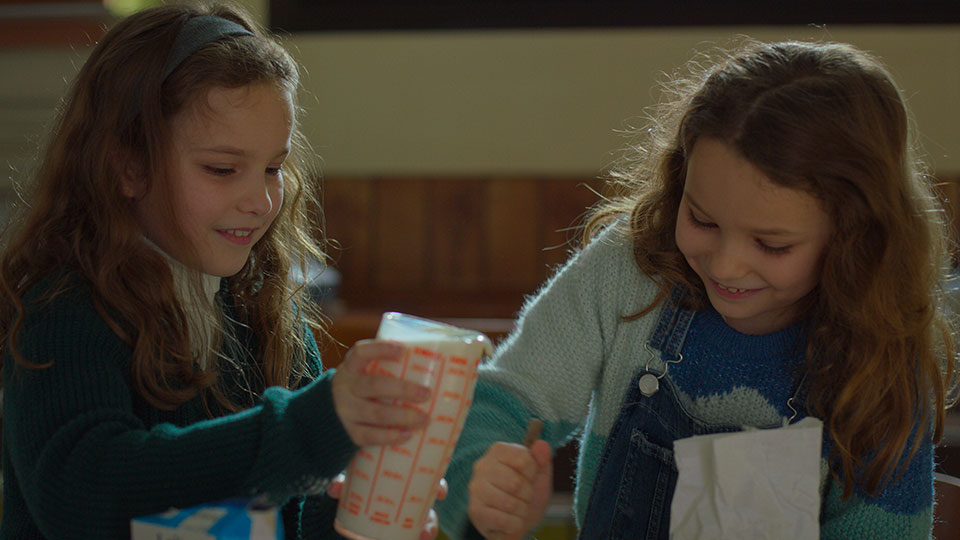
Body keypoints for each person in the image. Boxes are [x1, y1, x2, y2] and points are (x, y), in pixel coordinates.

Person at [435, 40, 958, 539]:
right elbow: (501, 402)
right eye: (702, 220)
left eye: (771, 245)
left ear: (855, 240)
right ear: (679, 180)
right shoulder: (628, 270)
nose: (726, 266)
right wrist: (483, 478)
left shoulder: (885, 360)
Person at [0, 4, 444, 539]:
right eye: (222, 169)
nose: (259, 199)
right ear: (128, 166)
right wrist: (309, 429)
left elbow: (289, 517)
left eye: (274, 168)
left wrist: (357, 520)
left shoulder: (267, 318)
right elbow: (85, 491)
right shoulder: (67, 312)